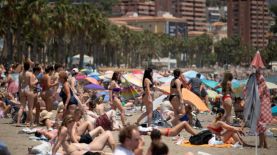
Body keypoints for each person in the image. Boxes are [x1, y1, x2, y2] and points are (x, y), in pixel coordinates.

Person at [17, 61, 38, 127]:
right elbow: (31, 84)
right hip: (28, 90)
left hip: (22, 90)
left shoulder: (20, 74)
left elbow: (19, 85)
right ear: (29, 67)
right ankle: (31, 123)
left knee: (22, 107)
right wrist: (36, 81)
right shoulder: (30, 74)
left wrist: (19, 92)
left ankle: (18, 122)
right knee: (30, 107)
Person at [255, 70, 272, 148]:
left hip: (262, 107)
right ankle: (265, 144)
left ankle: (261, 144)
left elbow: (258, 94)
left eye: (256, 75)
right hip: (265, 107)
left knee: (260, 125)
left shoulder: (261, 84)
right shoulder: (263, 84)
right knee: (262, 126)